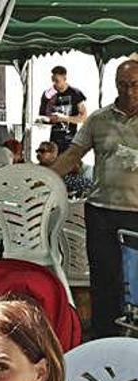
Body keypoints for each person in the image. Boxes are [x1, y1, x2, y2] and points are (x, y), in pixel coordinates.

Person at [51, 59, 138, 338]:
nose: (129, 92)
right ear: (115, 85)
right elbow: (73, 155)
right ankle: (104, 338)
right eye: (123, 85)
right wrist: (45, 179)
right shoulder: (99, 119)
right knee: (104, 280)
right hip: (102, 211)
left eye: (135, 85)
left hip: (136, 211)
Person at [39, 66, 88, 152]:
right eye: (53, 80)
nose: (55, 83)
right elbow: (42, 116)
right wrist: (48, 119)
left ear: (65, 78)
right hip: (53, 142)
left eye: (57, 81)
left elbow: (83, 117)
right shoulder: (48, 94)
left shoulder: (75, 94)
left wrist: (63, 118)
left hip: (70, 140)